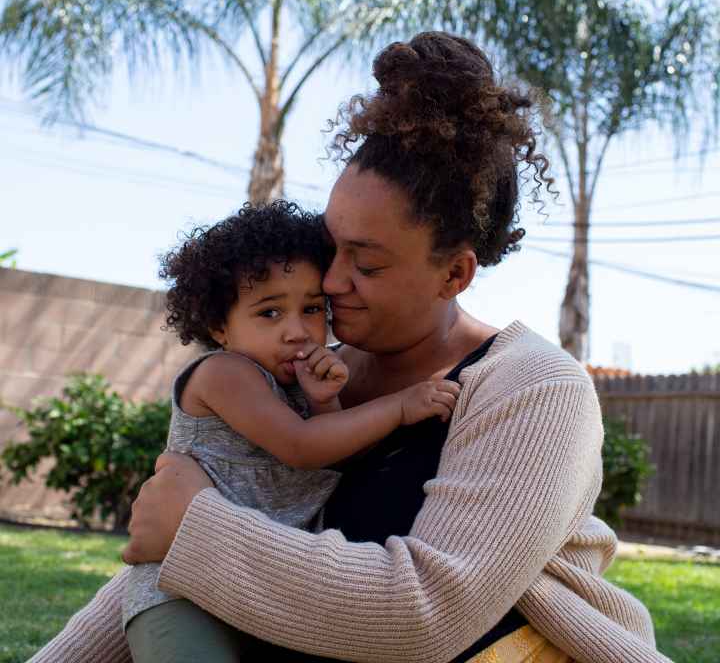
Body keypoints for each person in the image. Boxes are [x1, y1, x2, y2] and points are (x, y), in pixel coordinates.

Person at [29, 32, 671, 663]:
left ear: (455, 274)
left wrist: (192, 530)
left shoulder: (533, 390)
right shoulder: (303, 375)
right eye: (331, 247)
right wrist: (184, 535)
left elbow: (425, 614)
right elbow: (187, 562)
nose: (332, 282)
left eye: (366, 264)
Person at [119, 201, 461, 661]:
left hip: (257, 590)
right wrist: (398, 407)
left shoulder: (297, 385)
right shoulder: (224, 374)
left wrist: (323, 402)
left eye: (313, 309)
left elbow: (338, 463)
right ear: (220, 326)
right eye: (270, 314)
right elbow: (302, 449)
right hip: (179, 596)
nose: (297, 331)